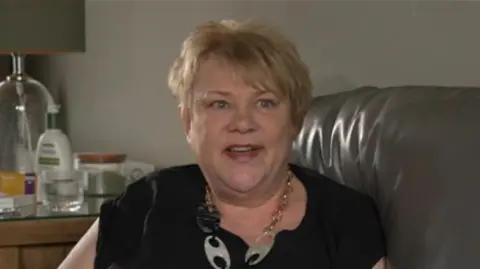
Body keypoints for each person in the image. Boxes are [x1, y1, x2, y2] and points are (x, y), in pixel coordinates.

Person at [59, 19, 387, 269]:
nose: (242, 123)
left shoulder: (344, 219)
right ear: (188, 121)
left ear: (295, 119)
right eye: (219, 104)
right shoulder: (143, 204)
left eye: (265, 103)